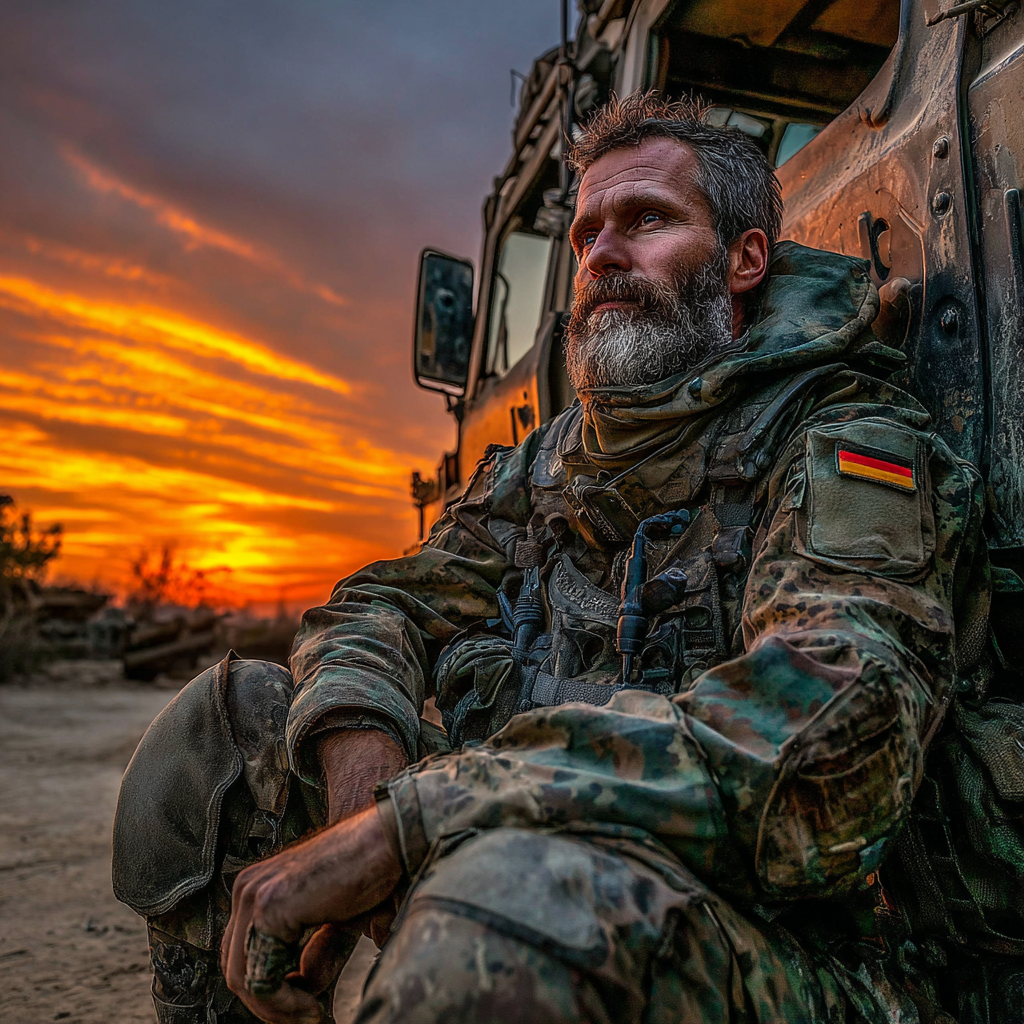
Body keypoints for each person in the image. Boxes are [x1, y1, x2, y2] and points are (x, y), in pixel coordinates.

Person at [113, 94, 991, 1024]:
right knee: (225, 727)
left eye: (647, 219)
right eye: (584, 237)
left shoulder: (845, 437)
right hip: (530, 843)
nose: (603, 253)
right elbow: (379, 603)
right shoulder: (550, 464)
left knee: (516, 911)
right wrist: (359, 777)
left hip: (789, 945)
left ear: (745, 261)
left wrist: (416, 824)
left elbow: (825, 747)